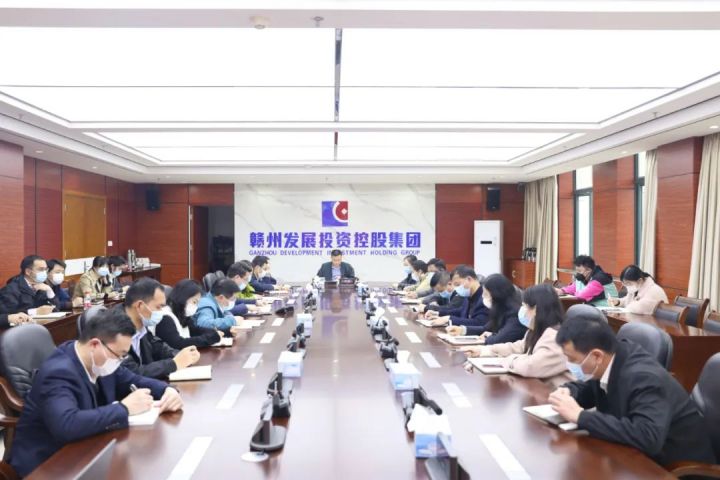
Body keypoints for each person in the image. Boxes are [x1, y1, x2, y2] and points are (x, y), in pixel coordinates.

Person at [9, 309, 183, 477]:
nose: (120, 361)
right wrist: (124, 409)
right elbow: (66, 424)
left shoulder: (101, 360)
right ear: (94, 344)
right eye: (119, 355)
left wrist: (167, 390)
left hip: (86, 447)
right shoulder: (58, 372)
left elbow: (134, 379)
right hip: (48, 463)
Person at [549, 314, 716, 467]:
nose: (569, 364)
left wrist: (580, 416)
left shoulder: (645, 377)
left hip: (677, 467)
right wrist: (568, 392)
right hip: (637, 456)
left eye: (572, 359)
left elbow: (648, 437)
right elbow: (590, 389)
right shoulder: (611, 358)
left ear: (597, 356)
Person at [461, 284, 571, 383]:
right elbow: (518, 347)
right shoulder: (536, 330)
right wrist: (484, 351)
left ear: (536, 309)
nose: (523, 311)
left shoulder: (555, 337)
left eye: (525, 306)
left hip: (554, 391)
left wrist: (506, 360)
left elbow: (531, 366)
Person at [119, 278, 200, 379]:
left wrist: (181, 355)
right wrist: (174, 363)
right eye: (158, 307)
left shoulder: (140, 324)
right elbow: (132, 373)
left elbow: (157, 346)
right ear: (140, 305)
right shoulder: (114, 331)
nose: (161, 312)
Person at [446, 273, 526, 345]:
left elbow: (500, 339)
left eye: (486, 294)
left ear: (497, 295)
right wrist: (462, 330)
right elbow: (485, 328)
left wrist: (490, 337)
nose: (483, 297)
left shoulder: (515, 314)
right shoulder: (500, 309)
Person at [154, 279, 222, 349]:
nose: (196, 307)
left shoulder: (182, 314)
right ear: (183, 298)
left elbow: (195, 331)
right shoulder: (165, 317)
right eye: (194, 302)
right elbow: (178, 343)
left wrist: (214, 332)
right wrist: (209, 338)